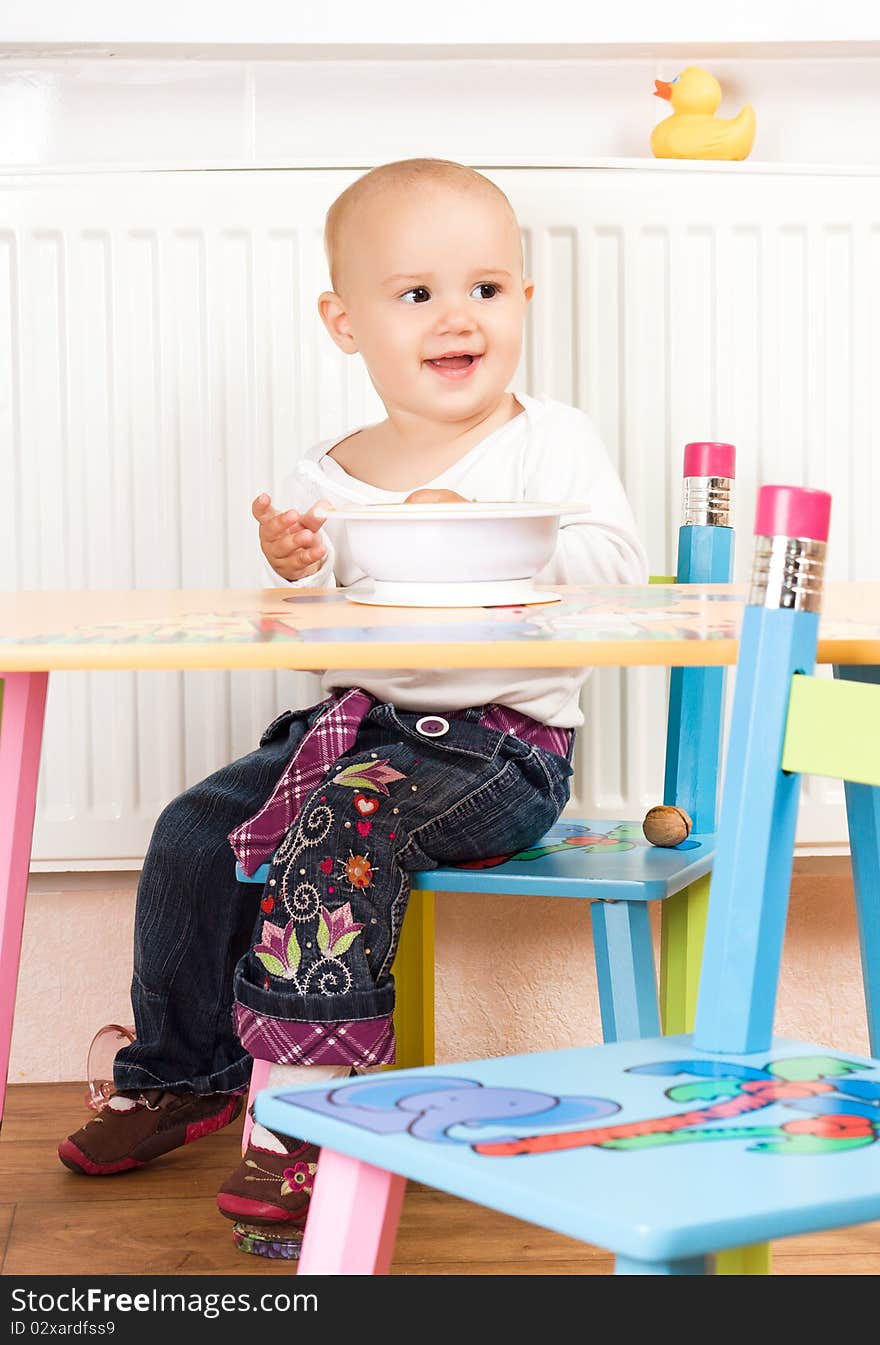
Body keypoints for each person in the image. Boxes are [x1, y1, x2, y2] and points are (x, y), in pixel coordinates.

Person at [58, 158, 647, 1247]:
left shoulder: (549, 439)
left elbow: (619, 572)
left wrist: (483, 521)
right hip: (353, 730)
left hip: (497, 751)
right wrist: (297, 571)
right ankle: (187, 1073)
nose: (455, 317)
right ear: (344, 322)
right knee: (194, 829)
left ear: (523, 300)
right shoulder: (328, 472)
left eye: (485, 287)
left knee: (338, 832)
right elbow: (309, 645)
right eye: (416, 294)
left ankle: (313, 1123)